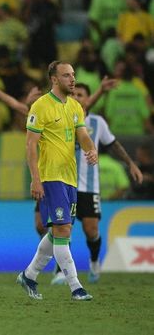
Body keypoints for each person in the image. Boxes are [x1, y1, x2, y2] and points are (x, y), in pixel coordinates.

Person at [18, 61, 98, 301]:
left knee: (59, 233)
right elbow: (30, 145)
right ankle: (76, 287)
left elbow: (82, 134)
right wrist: (35, 179)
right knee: (62, 230)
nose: (72, 79)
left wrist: (90, 149)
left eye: (73, 75)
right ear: (54, 79)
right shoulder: (40, 106)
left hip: (70, 178)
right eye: (66, 75)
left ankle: (29, 275)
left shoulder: (75, 106)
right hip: (50, 176)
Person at [59, 83, 143, 283]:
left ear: (89, 99)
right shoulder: (62, 119)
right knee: (62, 230)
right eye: (74, 94)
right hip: (65, 185)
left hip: (89, 187)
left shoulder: (97, 123)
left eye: (81, 95)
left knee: (91, 230)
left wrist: (130, 163)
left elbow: (113, 144)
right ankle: (63, 272)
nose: (77, 97)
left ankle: (95, 261)